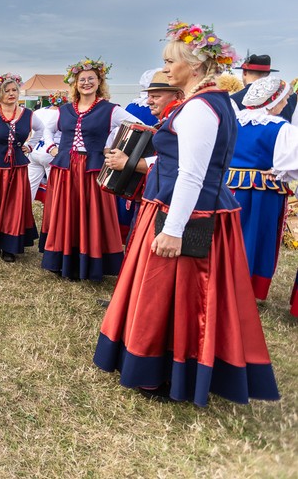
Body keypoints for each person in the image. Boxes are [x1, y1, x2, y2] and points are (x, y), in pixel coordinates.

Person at [95, 20, 279, 406]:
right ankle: (161, 367)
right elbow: (176, 160)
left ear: (193, 67)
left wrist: (173, 229)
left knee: (174, 296)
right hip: (181, 207)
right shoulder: (208, 102)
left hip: (186, 215)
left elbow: (192, 174)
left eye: (169, 62)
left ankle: (162, 372)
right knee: (170, 295)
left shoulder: (199, 108)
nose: (164, 69)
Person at [39, 58, 137, 281]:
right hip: (65, 169)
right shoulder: (64, 110)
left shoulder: (111, 110)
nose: (86, 83)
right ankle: (62, 260)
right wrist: (51, 147)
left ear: (99, 81)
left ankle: (91, 262)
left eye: (91, 78)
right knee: (65, 212)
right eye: (82, 79)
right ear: (75, 83)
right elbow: (46, 129)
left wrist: (113, 148)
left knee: (91, 214)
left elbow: (137, 127)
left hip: (92, 170)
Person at [227, 76, 298, 316]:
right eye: (284, 99)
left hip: (228, 189)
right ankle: (245, 289)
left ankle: (223, 283)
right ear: (273, 102)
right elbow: (293, 160)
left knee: (228, 236)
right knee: (254, 237)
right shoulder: (280, 128)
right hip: (261, 193)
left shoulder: (233, 121)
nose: (286, 103)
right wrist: (280, 171)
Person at [0, 74, 41, 262]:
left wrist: (30, 146)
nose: (11, 94)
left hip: (17, 169)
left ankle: (9, 248)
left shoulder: (28, 115)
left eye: (14, 90)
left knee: (14, 206)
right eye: (7, 91)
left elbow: (42, 130)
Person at [231, 54, 297, 123]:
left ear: (244, 72)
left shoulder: (234, 100)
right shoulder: (293, 98)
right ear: (268, 74)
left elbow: (231, 126)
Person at [27, 90, 66, 201]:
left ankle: (23, 209)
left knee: (30, 186)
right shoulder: (64, 113)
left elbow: (30, 130)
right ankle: (54, 209)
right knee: (55, 188)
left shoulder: (38, 111)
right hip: (52, 150)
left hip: (35, 150)